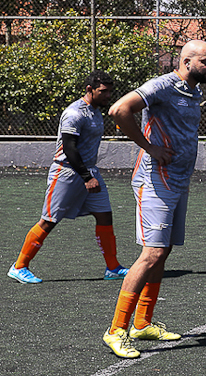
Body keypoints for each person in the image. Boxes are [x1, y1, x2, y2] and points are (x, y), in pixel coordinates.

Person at [100, 40, 206, 359]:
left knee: (162, 253)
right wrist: (148, 147)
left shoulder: (194, 91)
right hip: (155, 182)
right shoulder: (163, 85)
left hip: (178, 182)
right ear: (187, 61)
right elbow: (119, 109)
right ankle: (116, 331)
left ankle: (142, 323)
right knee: (151, 254)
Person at [8, 71, 129, 284]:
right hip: (66, 172)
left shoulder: (96, 111)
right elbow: (69, 148)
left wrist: (89, 175)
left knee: (104, 215)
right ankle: (19, 266)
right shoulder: (74, 113)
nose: (108, 95)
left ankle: (113, 267)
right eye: (103, 91)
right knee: (49, 221)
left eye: (110, 91)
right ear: (89, 90)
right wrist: (85, 177)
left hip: (89, 171)